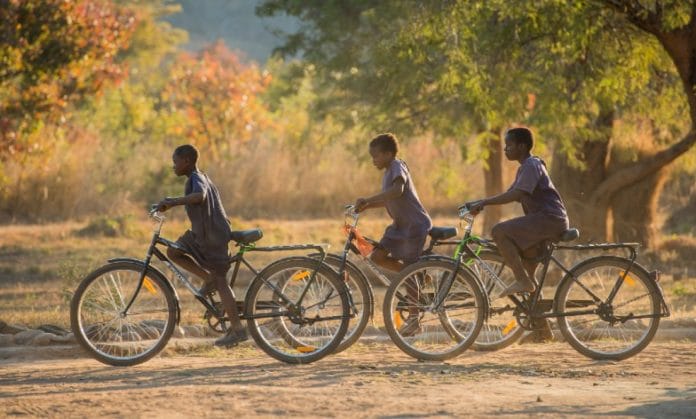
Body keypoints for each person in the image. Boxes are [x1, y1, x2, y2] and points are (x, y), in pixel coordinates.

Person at [155, 144, 247, 347]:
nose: (173, 166)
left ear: (186, 161)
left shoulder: (197, 179)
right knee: (173, 251)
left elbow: (200, 196)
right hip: (204, 233)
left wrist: (173, 202)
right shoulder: (199, 176)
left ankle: (238, 329)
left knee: (221, 281)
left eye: (175, 162)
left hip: (212, 235)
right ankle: (208, 279)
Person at [463, 127, 569, 297]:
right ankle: (538, 320)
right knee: (527, 264)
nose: (505, 149)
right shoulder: (525, 168)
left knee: (498, 231)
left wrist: (484, 202)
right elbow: (509, 194)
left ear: (522, 146)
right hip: (545, 220)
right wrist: (480, 204)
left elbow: (516, 194)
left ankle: (522, 280)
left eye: (509, 145)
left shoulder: (531, 165)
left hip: (549, 220)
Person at [355, 133, 432, 335]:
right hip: (400, 226)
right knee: (377, 257)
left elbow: (397, 191)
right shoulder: (388, 170)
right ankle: (417, 276)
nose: (373, 161)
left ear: (389, 154)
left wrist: (368, 198)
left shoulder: (397, 166)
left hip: (414, 226)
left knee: (408, 270)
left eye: (376, 156)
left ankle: (414, 319)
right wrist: (368, 206)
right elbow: (390, 199)